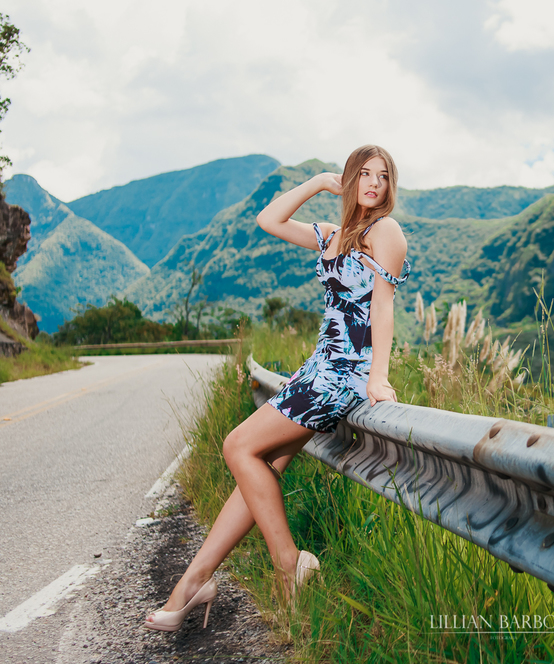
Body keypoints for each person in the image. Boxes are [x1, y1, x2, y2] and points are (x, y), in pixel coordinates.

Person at [143, 144, 410, 632]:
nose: (374, 183)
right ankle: (192, 584)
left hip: (343, 375)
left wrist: (378, 377)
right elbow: (269, 219)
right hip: (315, 370)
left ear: (392, 186)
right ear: (350, 179)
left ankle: (290, 564)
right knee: (256, 466)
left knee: (237, 447)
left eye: (383, 176)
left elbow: (383, 307)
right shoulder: (335, 234)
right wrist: (320, 182)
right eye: (364, 174)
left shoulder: (386, 231)